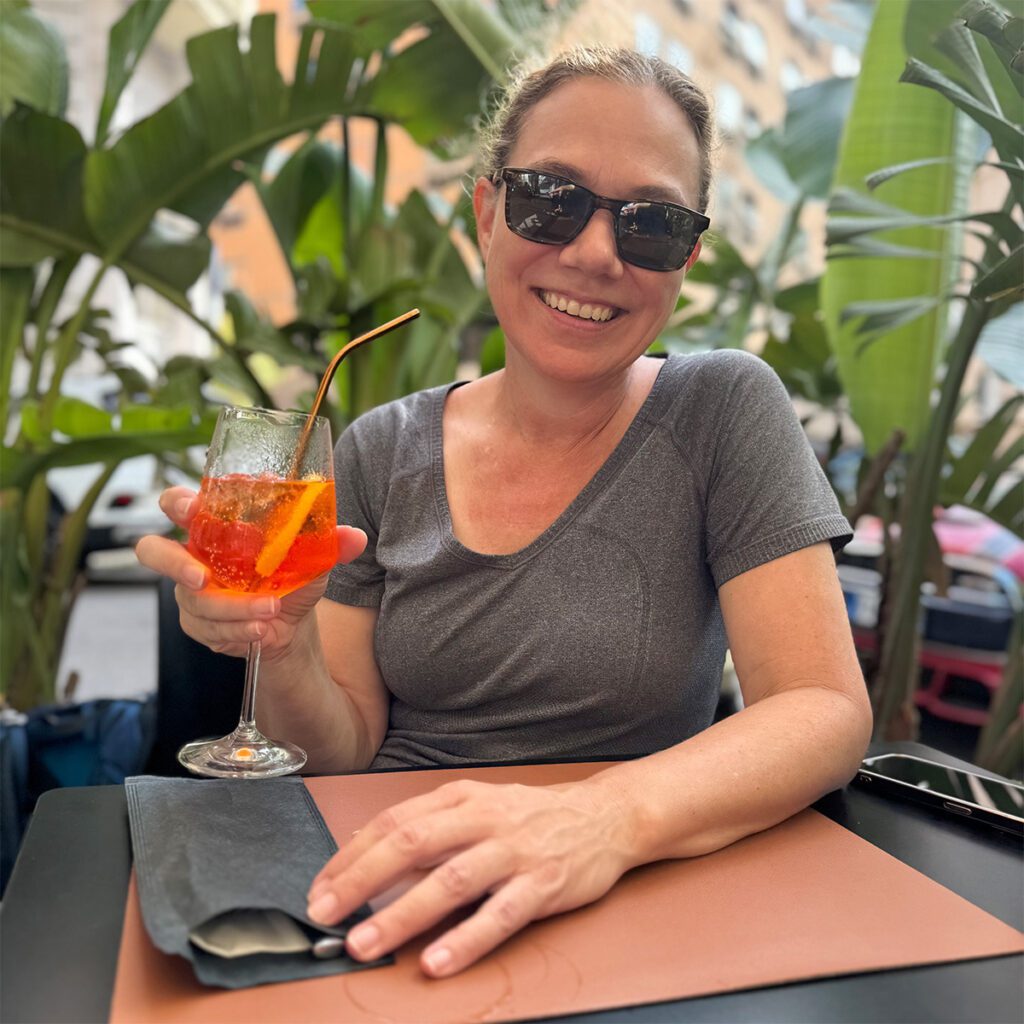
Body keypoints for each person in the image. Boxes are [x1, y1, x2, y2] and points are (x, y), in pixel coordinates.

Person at [136, 46, 871, 980]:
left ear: (687, 254)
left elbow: (821, 707)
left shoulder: (723, 408)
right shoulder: (379, 448)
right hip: (386, 881)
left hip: (637, 895)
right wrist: (284, 645)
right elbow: (345, 748)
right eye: (549, 199)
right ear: (488, 212)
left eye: (650, 224)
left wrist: (597, 819)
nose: (595, 253)